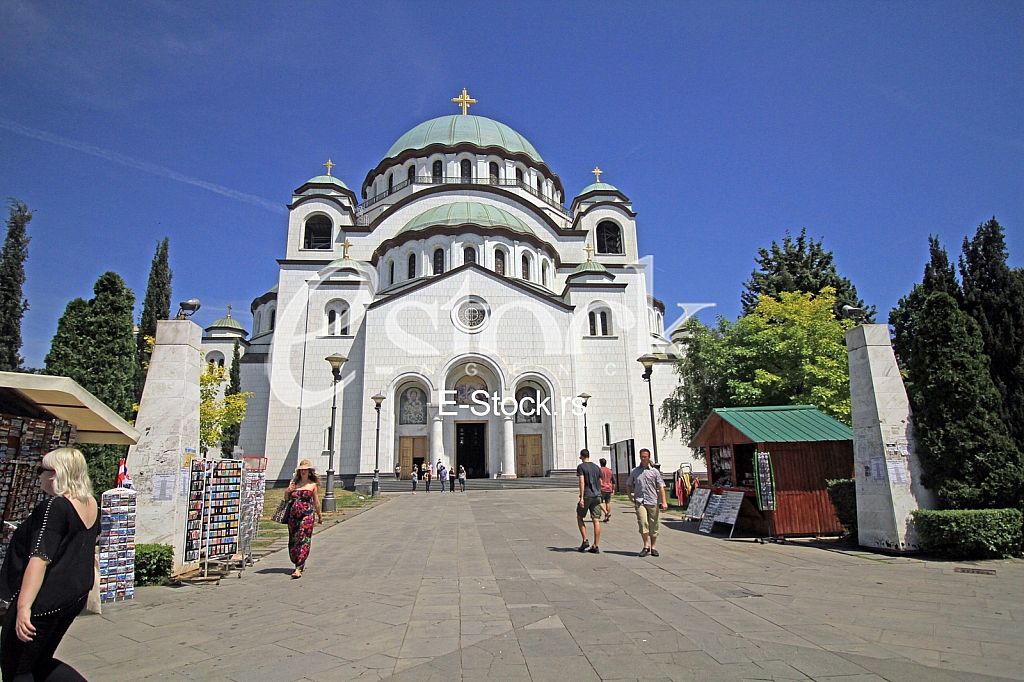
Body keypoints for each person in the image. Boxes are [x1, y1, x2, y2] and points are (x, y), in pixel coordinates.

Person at [0, 447, 99, 682]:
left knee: (16, 668)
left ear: (55, 473)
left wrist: (24, 607)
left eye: (40, 470)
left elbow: (39, 557)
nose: (38, 476)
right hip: (71, 598)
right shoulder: (90, 504)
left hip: (43, 601)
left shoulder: (55, 507)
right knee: (40, 661)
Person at [626, 448, 668, 557]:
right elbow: (629, 483)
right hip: (640, 500)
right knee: (642, 522)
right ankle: (646, 545)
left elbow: (661, 487)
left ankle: (653, 547)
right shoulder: (635, 471)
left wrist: (664, 501)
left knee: (653, 524)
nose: (643, 458)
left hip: (652, 500)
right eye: (641, 456)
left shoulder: (654, 472)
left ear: (649, 457)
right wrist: (630, 495)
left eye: (645, 457)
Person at [286, 459, 322, 578]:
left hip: (307, 515)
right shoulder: (293, 484)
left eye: (305, 470)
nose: (303, 472)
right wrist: (288, 491)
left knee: (303, 539)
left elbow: (316, 502)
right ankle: (296, 560)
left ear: (309, 471)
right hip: (293, 516)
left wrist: (319, 515)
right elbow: (286, 499)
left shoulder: (312, 485)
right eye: (301, 470)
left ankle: (299, 567)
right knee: (294, 540)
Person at [575, 449, 602, 553]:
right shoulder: (596, 467)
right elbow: (600, 481)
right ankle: (596, 545)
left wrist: (581, 497)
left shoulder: (581, 467)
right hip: (597, 495)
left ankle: (585, 539)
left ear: (581, 456)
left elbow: (582, 482)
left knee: (579, 516)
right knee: (596, 520)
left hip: (587, 495)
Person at [598, 457, 615, 522]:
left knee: (599, 502)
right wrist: (613, 489)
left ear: (600, 463)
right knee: (607, 502)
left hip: (602, 488)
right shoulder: (610, 470)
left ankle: (606, 513)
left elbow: (598, 479)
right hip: (609, 488)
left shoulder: (600, 470)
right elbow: (613, 481)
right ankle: (606, 517)